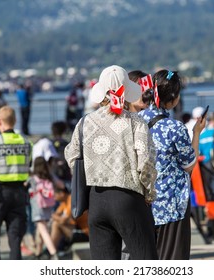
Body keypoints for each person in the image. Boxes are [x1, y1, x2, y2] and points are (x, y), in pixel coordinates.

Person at [65, 65, 158, 260]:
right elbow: (146, 161)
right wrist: (149, 192)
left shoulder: (84, 122)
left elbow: (72, 156)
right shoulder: (135, 122)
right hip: (129, 199)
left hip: (96, 201)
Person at [139, 69, 206, 260]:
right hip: (171, 204)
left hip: (141, 203)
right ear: (175, 98)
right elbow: (189, 164)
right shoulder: (174, 127)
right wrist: (196, 133)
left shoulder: (135, 121)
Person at [0, 106, 33, 259]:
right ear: (15, 121)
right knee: (15, 238)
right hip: (19, 194)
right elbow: (28, 167)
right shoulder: (26, 142)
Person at [28, 157, 60, 260]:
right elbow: (61, 184)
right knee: (41, 230)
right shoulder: (49, 176)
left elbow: (24, 185)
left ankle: (53, 253)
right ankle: (38, 252)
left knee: (42, 229)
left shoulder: (33, 178)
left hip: (37, 206)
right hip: (48, 205)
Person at [51, 181, 89, 256]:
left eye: (55, 195)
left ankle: (51, 250)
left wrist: (54, 216)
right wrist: (55, 216)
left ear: (61, 194)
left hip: (85, 233)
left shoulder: (71, 200)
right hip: (76, 230)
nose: (54, 197)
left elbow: (62, 220)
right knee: (54, 223)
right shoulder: (63, 202)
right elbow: (55, 214)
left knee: (56, 224)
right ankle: (54, 249)